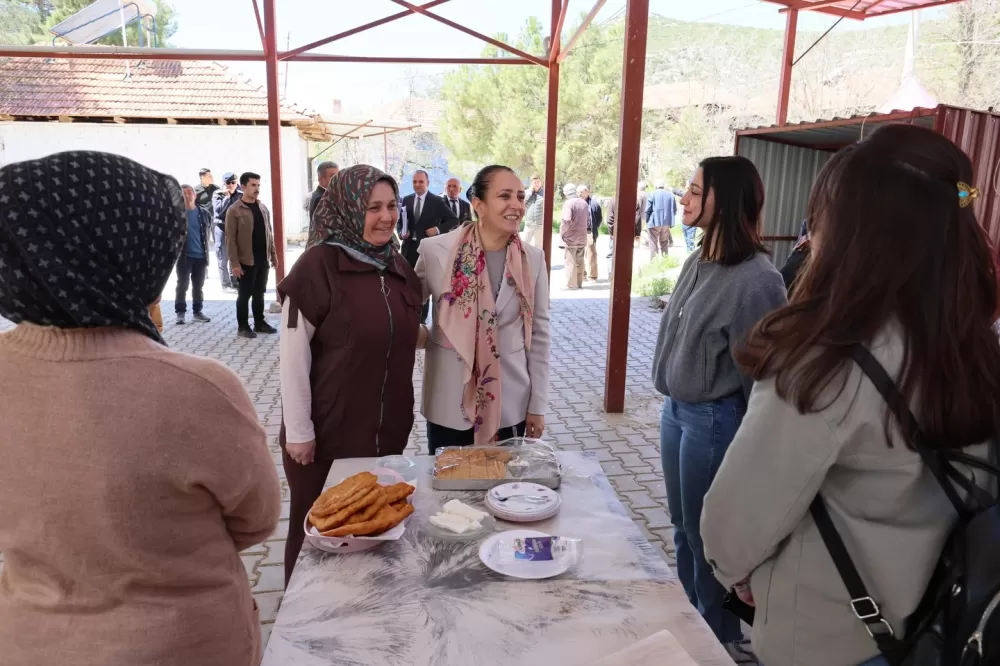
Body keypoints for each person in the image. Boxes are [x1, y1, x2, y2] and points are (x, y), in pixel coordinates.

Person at [701, 126, 1000, 666]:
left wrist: (736, 576)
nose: (811, 236)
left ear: (857, 235)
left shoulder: (825, 362)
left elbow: (734, 523)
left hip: (826, 640)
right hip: (938, 628)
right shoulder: (977, 346)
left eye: (820, 219)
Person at [0, 151, 281, 666]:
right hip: (182, 646)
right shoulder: (198, 389)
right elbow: (257, 520)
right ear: (130, 253)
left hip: (28, 642)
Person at [651, 155, 787, 658]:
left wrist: (758, 451)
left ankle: (719, 639)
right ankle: (694, 619)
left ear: (723, 200)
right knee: (682, 527)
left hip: (713, 419)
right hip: (676, 412)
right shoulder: (698, 260)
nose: (683, 198)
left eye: (694, 190)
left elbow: (764, 376)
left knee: (708, 537)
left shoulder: (757, 279)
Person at [278, 165, 422, 585]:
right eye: (373, 207)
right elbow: (292, 356)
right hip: (326, 436)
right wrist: (299, 431)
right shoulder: (317, 266)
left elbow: (403, 332)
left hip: (385, 432)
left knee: (371, 528)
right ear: (347, 208)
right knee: (316, 531)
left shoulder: (396, 265)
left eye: (392, 206)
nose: (386, 217)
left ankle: (365, 608)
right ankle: (301, 613)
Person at [416, 164, 551, 455]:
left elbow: (539, 335)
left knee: (503, 481)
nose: (516, 205)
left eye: (520, 196)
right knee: (449, 481)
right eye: (505, 196)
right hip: (447, 399)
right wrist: (424, 335)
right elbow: (405, 311)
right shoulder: (435, 251)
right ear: (479, 205)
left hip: (510, 401)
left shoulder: (533, 259)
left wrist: (537, 405)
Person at [399, 169, 459, 323]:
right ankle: (406, 317)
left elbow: (453, 220)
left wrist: (437, 230)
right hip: (408, 250)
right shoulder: (406, 200)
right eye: (414, 182)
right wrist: (401, 232)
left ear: (428, 183)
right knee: (406, 284)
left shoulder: (436, 201)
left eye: (421, 182)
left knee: (422, 287)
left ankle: (421, 321)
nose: (417, 184)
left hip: (427, 250)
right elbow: (400, 222)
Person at [226, 171, 278, 339]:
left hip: (263, 259)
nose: (257, 189)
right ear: (243, 187)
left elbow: (269, 233)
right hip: (246, 260)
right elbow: (230, 239)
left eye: (258, 185)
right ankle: (242, 326)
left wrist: (273, 255)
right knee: (244, 295)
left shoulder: (262, 208)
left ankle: (259, 322)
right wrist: (235, 264)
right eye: (253, 185)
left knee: (259, 293)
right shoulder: (234, 210)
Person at [175, 184, 213, 324]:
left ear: (195, 195)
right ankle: (180, 312)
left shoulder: (204, 213)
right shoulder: (176, 214)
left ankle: (197, 312)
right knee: (182, 285)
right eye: (183, 193)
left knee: (198, 286)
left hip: (201, 256)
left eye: (190, 192)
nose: (187, 195)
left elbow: (208, 233)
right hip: (184, 257)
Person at [213, 172, 241, 290]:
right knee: (223, 258)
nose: (231, 185)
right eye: (228, 183)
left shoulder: (241, 194)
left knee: (235, 257)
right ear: (224, 184)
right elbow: (218, 211)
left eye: (233, 182)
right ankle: (225, 284)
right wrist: (227, 197)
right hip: (222, 228)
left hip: (236, 229)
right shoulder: (218, 194)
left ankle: (235, 281)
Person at [560, 183, 589, 289]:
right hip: (582, 235)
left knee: (570, 260)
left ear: (566, 193)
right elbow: (588, 220)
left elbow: (566, 220)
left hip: (571, 237)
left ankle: (571, 284)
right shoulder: (584, 203)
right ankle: (579, 282)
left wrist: (563, 232)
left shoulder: (568, 203)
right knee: (580, 260)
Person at [645, 179, 677, 259]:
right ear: (663, 186)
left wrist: (647, 221)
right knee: (664, 242)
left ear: (656, 186)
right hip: (666, 222)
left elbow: (648, 209)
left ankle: (654, 261)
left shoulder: (652, 194)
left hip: (654, 222)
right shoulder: (671, 195)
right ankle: (665, 260)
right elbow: (674, 210)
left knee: (653, 242)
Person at [578, 184, 603, 280]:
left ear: (587, 192)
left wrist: (594, 229)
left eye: (581, 192)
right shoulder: (576, 203)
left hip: (589, 232)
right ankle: (582, 275)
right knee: (579, 254)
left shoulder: (594, 204)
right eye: (578, 192)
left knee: (591, 254)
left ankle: (593, 275)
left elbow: (599, 219)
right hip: (579, 232)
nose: (579, 194)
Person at [522, 174, 545, 248]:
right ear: (531, 183)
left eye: (538, 182)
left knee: (538, 246)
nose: (536, 184)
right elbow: (522, 202)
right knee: (524, 244)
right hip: (529, 223)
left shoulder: (545, 193)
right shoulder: (527, 193)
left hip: (539, 224)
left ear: (541, 182)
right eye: (534, 182)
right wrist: (530, 191)